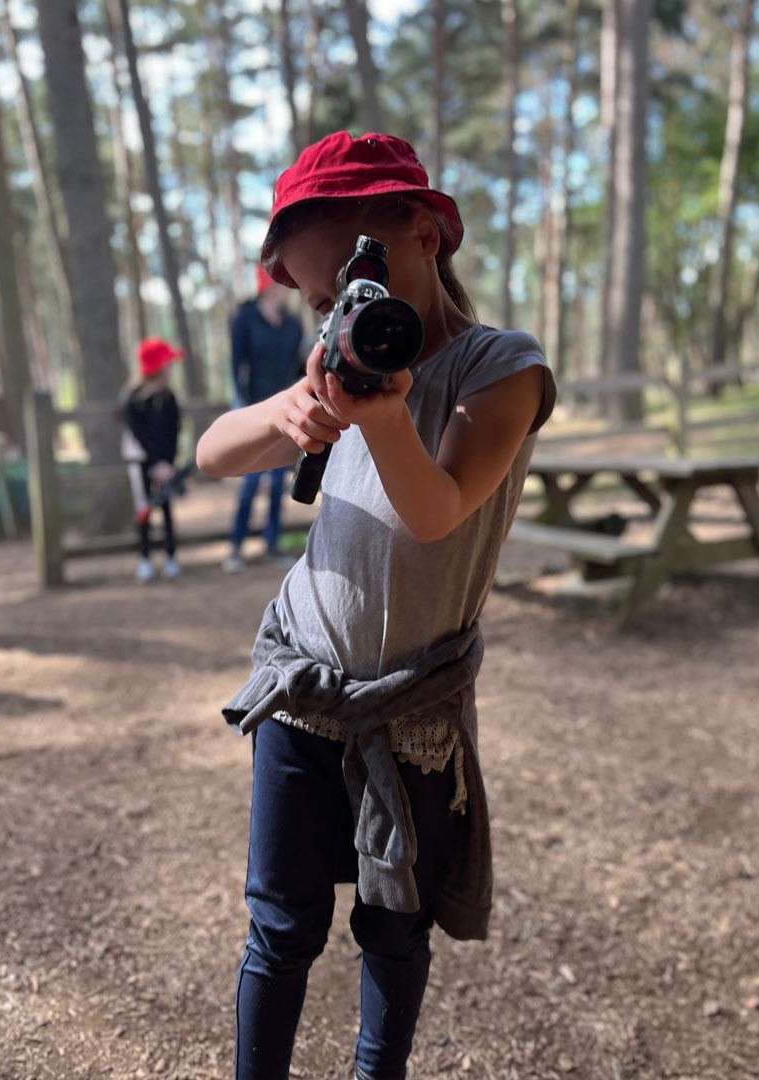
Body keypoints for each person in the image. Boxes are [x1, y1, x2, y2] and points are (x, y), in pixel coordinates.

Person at [196, 131, 556, 1080]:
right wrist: (284, 414)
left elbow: (436, 512)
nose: (346, 312)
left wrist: (383, 414)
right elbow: (210, 454)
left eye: (363, 277)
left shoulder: (500, 368)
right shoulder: (333, 373)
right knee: (280, 926)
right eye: (322, 301)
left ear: (425, 233)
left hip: (414, 707)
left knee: (394, 927)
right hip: (302, 689)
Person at [221, 265, 304, 573]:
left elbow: (298, 367)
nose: (286, 290)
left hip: (285, 412)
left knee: (277, 483)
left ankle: (272, 543)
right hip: (253, 410)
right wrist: (241, 409)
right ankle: (236, 546)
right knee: (251, 482)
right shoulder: (244, 318)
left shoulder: (293, 324)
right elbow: (235, 365)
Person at [122, 338, 183, 584]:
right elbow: (139, 435)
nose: (171, 368)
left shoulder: (169, 399)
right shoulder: (134, 400)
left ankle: (171, 556)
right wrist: (154, 463)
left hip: (165, 465)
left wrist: (166, 463)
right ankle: (145, 558)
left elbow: (174, 432)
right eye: (167, 363)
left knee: (166, 509)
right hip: (141, 464)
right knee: (144, 510)